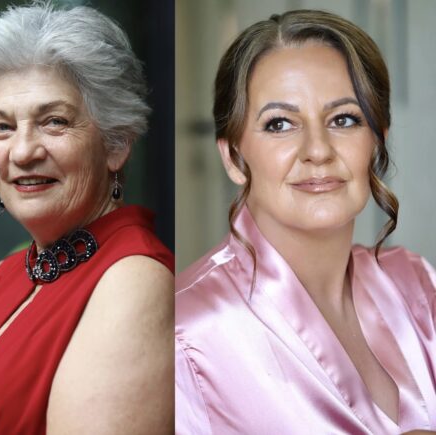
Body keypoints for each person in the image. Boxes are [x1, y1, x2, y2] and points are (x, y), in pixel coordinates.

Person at [175, 9, 436, 434]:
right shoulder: (188, 335)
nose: (317, 149)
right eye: (280, 124)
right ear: (234, 157)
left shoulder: (418, 286)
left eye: (344, 119)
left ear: (376, 142)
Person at [0, 3, 174, 434]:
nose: (22, 152)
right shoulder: (3, 278)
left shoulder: (134, 281)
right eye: (2, 127)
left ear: (116, 143)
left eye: (54, 122)